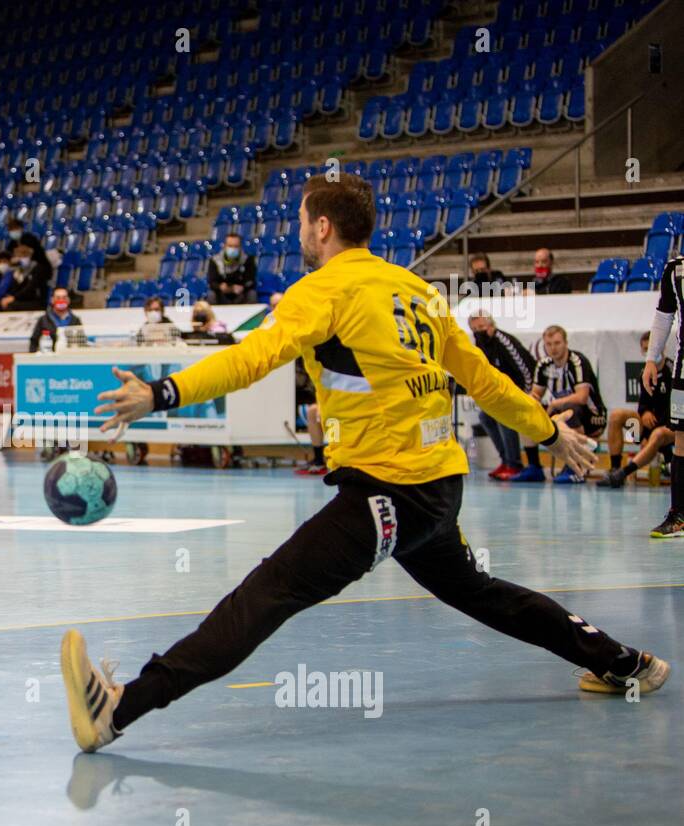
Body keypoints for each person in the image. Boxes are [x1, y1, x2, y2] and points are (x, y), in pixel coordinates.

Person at [59, 172, 669, 754]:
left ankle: (117, 710)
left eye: (301, 221)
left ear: (323, 227)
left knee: (267, 593)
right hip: (438, 488)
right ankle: (623, 662)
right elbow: (484, 381)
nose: (298, 232)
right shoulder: (418, 291)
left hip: (388, 494)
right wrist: (546, 432)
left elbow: (248, 360)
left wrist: (160, 394)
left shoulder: (323, 291)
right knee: (482, 593)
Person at [517, 324, 607, 484]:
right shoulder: (544, 365)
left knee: (570, 410)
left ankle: (575, 467)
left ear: (566, 343)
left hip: (593, 417)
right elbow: (536, 394)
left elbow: (582, 397)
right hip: (562, 413)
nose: (553, 348)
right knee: (526, 411)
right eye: (549, 344)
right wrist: (526, 401)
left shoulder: (577, 362)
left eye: (557, 343)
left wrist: (554, 404)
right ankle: (534, 467)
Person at [641, 254, 684, 537]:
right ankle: (678, 514)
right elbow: (664, 315)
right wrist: (651, 358)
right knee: (682, 440)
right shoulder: (675, 268)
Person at [467, 311, 534, 480]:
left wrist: (527, 395)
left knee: (504, 417)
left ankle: (514, 464)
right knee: (485, 417)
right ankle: (505, 460)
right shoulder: (479, 344)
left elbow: (526, 369)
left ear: (491, 326)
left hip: (522, 390)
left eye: (481, 327)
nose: (479, 332)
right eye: (475, 329)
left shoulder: (504, 342)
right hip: (501, 393)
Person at [598, 338, 673, 488]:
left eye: (651, 348)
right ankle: (615, 468)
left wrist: (650, 433)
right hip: (649, 427)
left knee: (658, 434)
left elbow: (675, 407)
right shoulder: (645, 373)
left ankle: (624, 473)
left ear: (663, 347)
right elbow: (643, 404)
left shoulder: (673, 371)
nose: (649, 352)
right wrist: (644, 413)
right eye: (645, 349)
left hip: (671, 429)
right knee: (616, 416)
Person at [206, 232, 257, 304]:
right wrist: (220, 286)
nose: (233, 249)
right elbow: (212, 282)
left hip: (241, 294)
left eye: (236, 246)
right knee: (211, 294)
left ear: (240, 247)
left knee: (252, 294)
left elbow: (251, 281)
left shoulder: (248, 260)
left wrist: (243, 287)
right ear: (225, 246)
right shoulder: (215, 260)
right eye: (230, 246)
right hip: (222, 294)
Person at [0, 245, 51, 311]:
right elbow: (14, 288)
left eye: (24, 256)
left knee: (11, 305)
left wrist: (14, 298)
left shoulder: (39, 268)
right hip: (23, 300)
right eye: (18, 256)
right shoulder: (18, 271)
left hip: (37, 301)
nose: (20, 259)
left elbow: (30, 288)